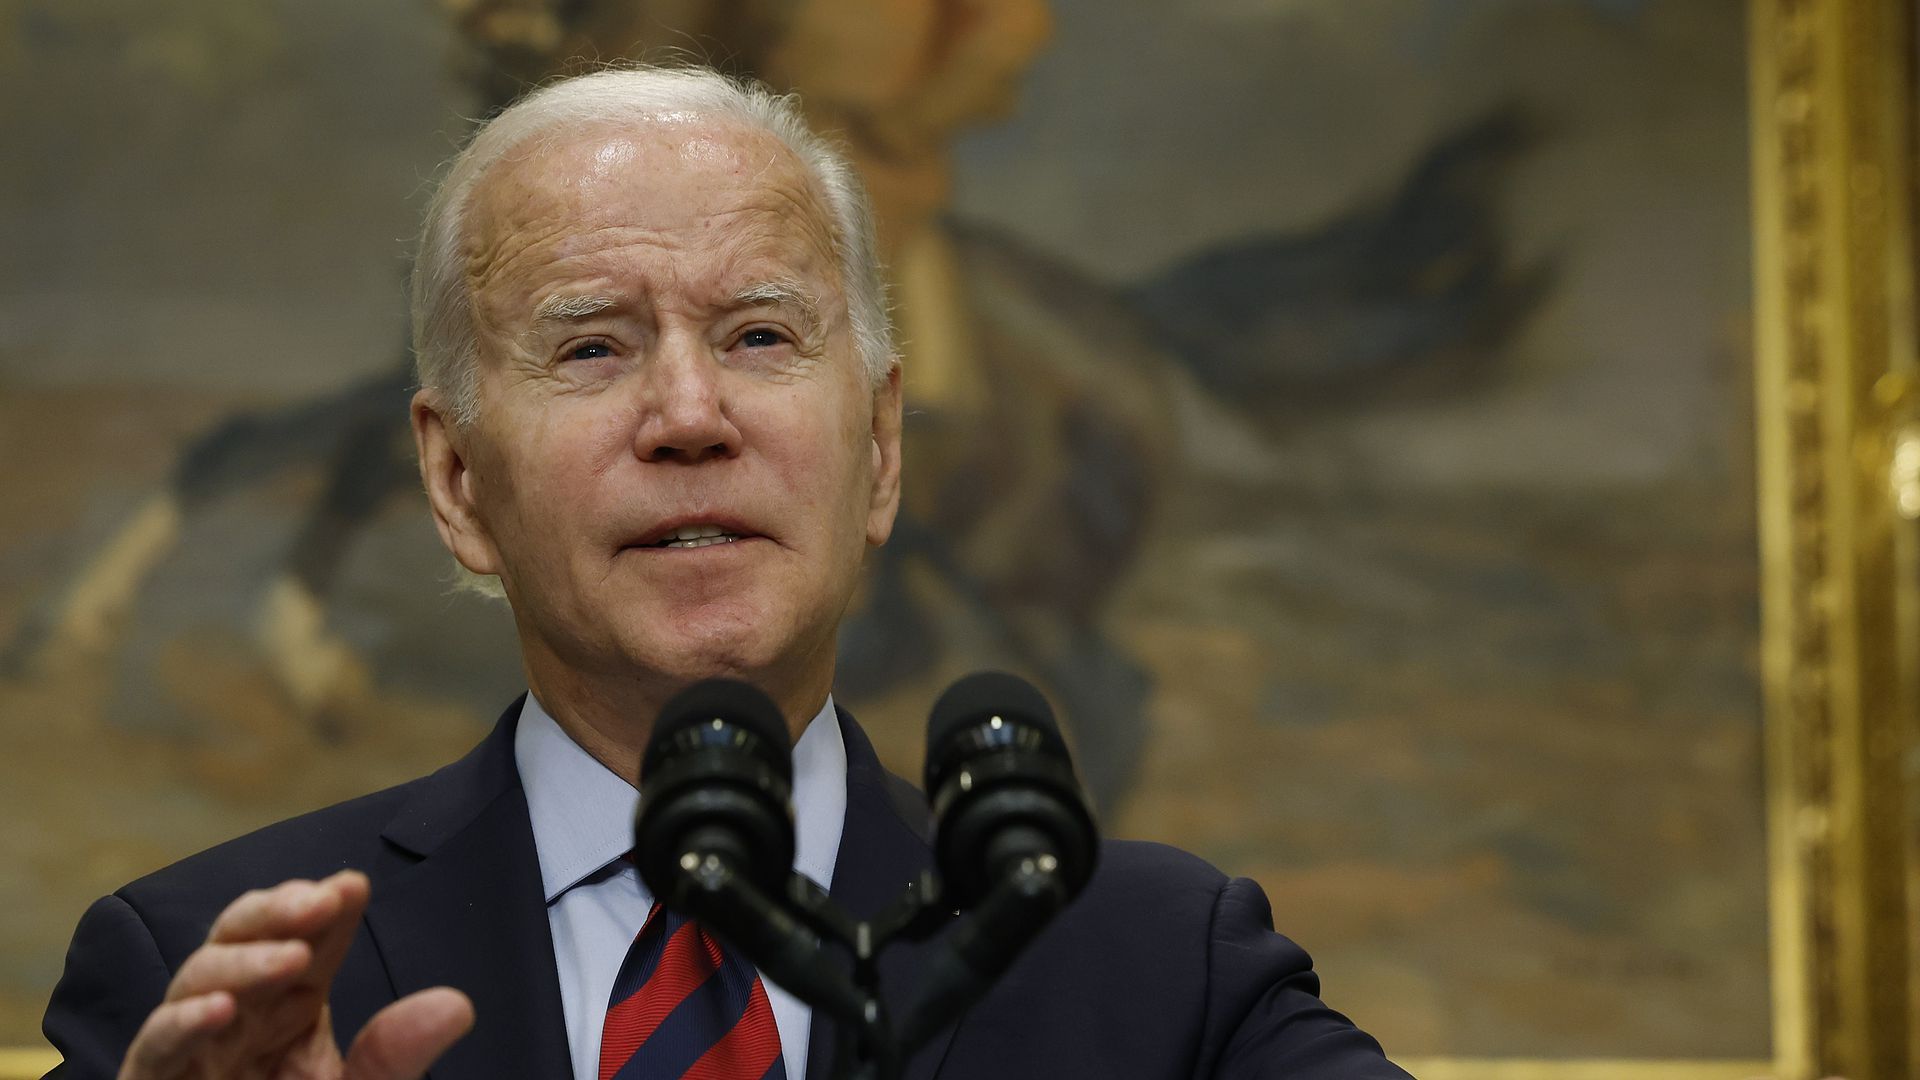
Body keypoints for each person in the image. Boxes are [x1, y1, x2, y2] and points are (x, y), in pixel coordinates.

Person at [40, 65, 1411, 1080]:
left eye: (760, 336)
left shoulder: (1163, 967)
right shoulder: (201, 985)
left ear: (878, 450)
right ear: (458, 484)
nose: (691, 414)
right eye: (591, 348)